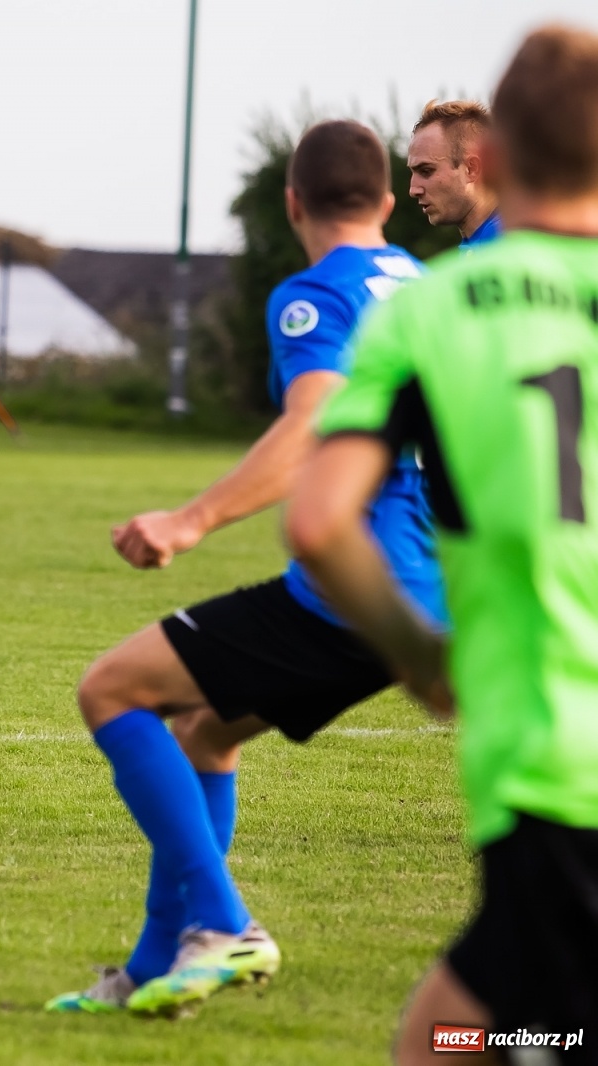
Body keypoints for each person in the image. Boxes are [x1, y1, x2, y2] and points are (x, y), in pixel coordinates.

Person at [47, 121, 443, 1017]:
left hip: (353, 586)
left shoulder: (317, 294)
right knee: (206, 733)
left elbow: (313, 423)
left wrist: (189, 522)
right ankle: (159, 968)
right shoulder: (433, 289)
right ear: (386, 202)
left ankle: (226, 926)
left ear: (292, 203)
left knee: (110, 690)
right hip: (433, 594)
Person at [288, 26, 598, 1065]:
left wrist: (415, 656)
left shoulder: (432, 311)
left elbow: (321, 519)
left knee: (472, 1039)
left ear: (497, 162)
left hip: (558, 768)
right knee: (452, 1034)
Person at [407, 100, 502, 247]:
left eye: (426, 171)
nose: (413, 190)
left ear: (472, 169)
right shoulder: (476, 247)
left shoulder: (513, 246)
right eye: (413, 172)